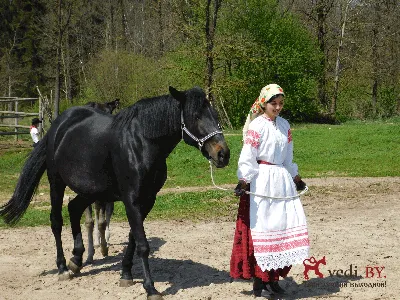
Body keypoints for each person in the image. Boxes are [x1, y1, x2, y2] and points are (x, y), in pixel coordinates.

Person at [230, 84, 309, 297]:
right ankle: (259, 284)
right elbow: (248, 155)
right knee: (262, 231)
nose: (278, 107)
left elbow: (288, 156)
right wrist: (244, 180)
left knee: (280, 230)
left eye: (281, 103)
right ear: (264, 104)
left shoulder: (285, 126)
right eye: (274, 103)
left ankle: (273, 280)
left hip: (281, 182)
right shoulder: (257, 126)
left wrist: (296, 177)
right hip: (261, 181)